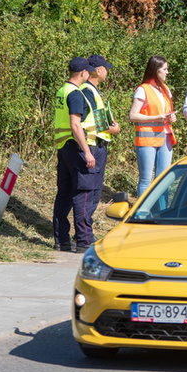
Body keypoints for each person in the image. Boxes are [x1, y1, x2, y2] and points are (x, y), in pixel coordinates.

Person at [52, 57, 97, 252]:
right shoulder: (76, 94)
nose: (89, 74)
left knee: (64, 193)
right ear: (82, 74)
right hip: (76, 147)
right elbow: (75, 124)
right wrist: (87, 151)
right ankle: (84, 240)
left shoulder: (63, 90)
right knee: (83, 193)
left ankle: (61, 239)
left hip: (63, 148)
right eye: (88, 71)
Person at [77, 54, 121, 250]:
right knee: (90, 193)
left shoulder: (91, 90)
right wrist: (112, 128)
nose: (108, 72)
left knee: (92, 192)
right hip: (94, 145)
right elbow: (96, 120)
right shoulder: (88, 90)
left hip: (95, 144)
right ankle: (84, 236)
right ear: (100, 70)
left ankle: (85, 233)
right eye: (106, 68)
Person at [130, 55, 177, 197]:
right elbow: (133, 115)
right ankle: (141, 215)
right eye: (165, 69)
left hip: (166, 138)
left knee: (163, 179)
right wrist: (156, 118)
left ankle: (161, 214)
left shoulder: (165, 89)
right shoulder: (143, 89)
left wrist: (171, 117)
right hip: (147, 140)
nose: (167, 72)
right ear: (156, 70)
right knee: (146, 180)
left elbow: (166, 112)